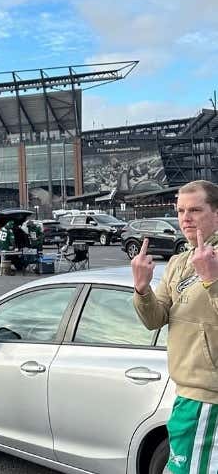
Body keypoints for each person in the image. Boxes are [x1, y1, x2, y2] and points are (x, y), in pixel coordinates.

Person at [131, 180, 218, 474]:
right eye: (181, 210)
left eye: (195, 209)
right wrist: (142, 289)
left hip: (209, 399)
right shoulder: (179, 261)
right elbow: (155, 319)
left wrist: (212, 280)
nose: (186, 218)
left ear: (216, 214)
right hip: (187, 393)